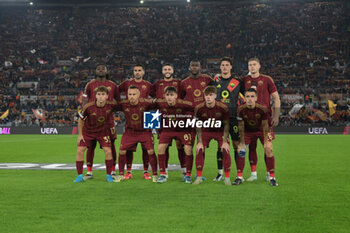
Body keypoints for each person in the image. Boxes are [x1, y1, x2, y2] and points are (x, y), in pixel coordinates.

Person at [243, 58, 280, 182]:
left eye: (254, 64)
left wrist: (276, 116)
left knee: (267, 147)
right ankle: (253, 174)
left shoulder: (267, 79)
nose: (252, 67)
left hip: (265, 119)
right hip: (249, 119)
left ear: (259, 66)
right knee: (251, 147)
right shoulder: (245, 80)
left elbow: (276, 98)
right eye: (250, 65)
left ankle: (270, 173)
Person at [83, 64, 120, 180]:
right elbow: (85, 100)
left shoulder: (113, 85)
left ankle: (113, 170)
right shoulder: (90, 85)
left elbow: (118, 102)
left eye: (103, 68)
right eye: (98, 68)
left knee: (111, 145)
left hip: (108, 121)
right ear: (95, 71)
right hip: (92, 120)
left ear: (107, 71)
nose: (100, 70)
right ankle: (89, 172)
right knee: (90, 146)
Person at [114, 86, 158, 183]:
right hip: (130, 132)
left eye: (134, 94)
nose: (132, 97)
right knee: (122, 151)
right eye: (130, 94)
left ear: (139, 95)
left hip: (144, 131)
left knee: (150, 151)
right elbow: (110, 106)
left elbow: (158, 103)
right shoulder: (123, 104)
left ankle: (154, 174)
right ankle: (121, 174)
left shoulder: (145, 103)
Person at [74, 86, 117, 183]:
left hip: (103, 132)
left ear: (107, 96)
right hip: (88, 131)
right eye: (99, 94)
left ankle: (109, 175)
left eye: (103, 94)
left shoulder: (111, 105)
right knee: (80, 150)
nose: (101, 96)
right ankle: (79, 176)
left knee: (108, 151)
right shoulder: (88, 106)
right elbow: (80, 120)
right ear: (95, 96)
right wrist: (80, 135)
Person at [179, 60, 213, 182]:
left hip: (204, 120)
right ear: (189, 67)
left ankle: (199, 174)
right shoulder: (184, 83)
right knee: (188, 147)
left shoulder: (208, 80)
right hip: (189, 120)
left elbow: (215, 93)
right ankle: (187, 174)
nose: (194, 67)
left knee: (201, 148)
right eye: (192, 65)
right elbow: (180, 100)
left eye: (196, 65)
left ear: (200, 67)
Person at [236, 88, 278, 186]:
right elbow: (241, 126)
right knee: (241, 150)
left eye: (252, 96)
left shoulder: (262, 109)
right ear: (244, 98)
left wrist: (267, 141)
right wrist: (242, 142)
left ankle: (272, 177)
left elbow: (265, 126)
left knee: (268, 149)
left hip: (263, 130)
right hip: (248, 131)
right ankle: (239, 177)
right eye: (247, 96)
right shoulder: (240, 109)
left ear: (256, 98)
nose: (250, 99)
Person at [150, 63, 186, 177]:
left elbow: (184, 94)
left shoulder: (179, 83)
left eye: (169, 69)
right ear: (162, 71)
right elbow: (151, 95)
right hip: (163, 118)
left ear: (173, 70)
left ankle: (184, 171)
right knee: (164, 146)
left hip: (178, 117)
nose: (167, 71)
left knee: (181, 145)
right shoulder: (157, 84)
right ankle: (164, 171)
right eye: (165, 69)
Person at [213, 57, 245, 182]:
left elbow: (246, 96)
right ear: (220, 67)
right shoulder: (215, 81)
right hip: (219, 118)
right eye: (223, 65)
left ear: (231, 67)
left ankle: (239, 175)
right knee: (220, 145)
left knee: (236, 145)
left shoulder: (238, 82)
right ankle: (220, 173)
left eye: (227, 65)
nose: (225, 67)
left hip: (233, 117)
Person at [119, 64, 153, 179]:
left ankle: (146, 171)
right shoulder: (126, 83)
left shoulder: (148, 85)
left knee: (146, 148)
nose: (137, 72)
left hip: (145, 118)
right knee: (128, 148)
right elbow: (116, 93)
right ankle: (128, 171)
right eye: (135, 70)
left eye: (139, 70)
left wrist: (153, 122)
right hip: (131, 116)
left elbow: (155, 99)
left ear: (143, 72)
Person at [155, 86, 194, 184]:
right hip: (168, 130)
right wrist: (159, 131)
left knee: (188, 148)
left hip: (182, 130)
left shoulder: (184, 104)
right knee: (160, 148)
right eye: (167, 95)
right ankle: (163, 174)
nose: (169, 97)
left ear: (176, 96)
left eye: (171, 95)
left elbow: (197, 108)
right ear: (164, 96)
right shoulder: (161, 104)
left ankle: (187, 174)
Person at [194, 86, 231, 186]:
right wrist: (200, 142)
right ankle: (199, 177)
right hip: (206, 131)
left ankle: (227, 178)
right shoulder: (199, 108)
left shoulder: (223, 107)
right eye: (206, 95)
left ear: (215, 96)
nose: (208, 97)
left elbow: (227, 124)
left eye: (210, 95)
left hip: (220, 131)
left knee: (225, 149)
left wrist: (224, 142)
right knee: (199, 150)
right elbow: (198, 125)